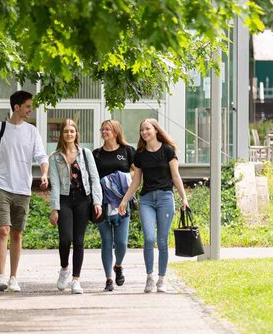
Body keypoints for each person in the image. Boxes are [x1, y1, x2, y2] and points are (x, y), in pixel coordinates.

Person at [0, 91, 49, 292]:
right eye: (28, 106)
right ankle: (1, 275)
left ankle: (13, 277)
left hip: (22, 188)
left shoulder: (32, 131)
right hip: (1, 185)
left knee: (17, 234)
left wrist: (44, 174)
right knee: (3, 230)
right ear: (16, 107)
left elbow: (41, 156)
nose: (30, 110)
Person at [118, 119, 189, 293]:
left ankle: (162, 279)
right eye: (142, 129)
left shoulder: (167, 151)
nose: (144, 132)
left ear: (156, 130)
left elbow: (176, 176)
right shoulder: (140, 155)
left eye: (147, 129)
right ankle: (149, 277)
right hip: (147, 200)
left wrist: (184, 198)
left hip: (165, 198)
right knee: (149, 238)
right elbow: (136, 181)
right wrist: (125, 200)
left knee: (163, 241)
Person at [49, 119, 102, 294]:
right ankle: (64, 268)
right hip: (64, 200)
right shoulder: (55, 157)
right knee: (65, 239)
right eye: (66, 131)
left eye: (72, 131)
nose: (69, 134)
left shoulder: (85, 154)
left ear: (76, 133)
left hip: (83, 200)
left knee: (79, 241)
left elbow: (94, 178)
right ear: (62, 135)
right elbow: (55, 184)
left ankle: (76, 280)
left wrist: (97, 202)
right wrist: (55, 208)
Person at [92, 120, 135, 292]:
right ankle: (108, 278)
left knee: (121, 242)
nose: (104, 132)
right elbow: (93, 178)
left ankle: (118, 266)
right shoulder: (97, 154)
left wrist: (121, 178)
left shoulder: (127, 151)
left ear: (116, 131)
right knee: (107, 241)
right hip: (102, 203)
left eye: (107, 129)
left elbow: (137, 172)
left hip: (122, 202)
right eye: (102, 129)